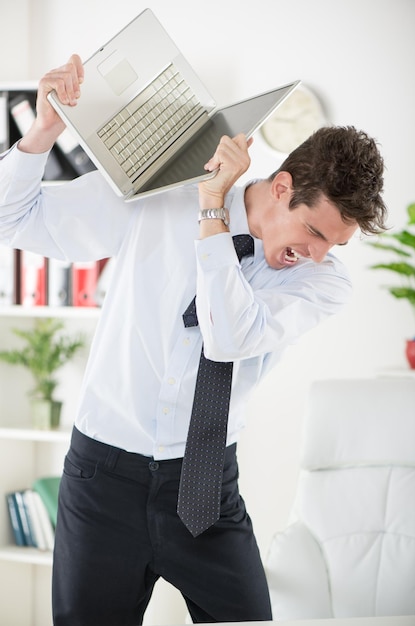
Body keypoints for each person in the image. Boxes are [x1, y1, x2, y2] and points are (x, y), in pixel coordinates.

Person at [0, 55, 387, 626]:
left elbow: (229, 337)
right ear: (282, 188)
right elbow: (14, 218)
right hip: (103, 480)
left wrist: (212, 212)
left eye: (335, 245)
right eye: (313, 232)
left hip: (206, 490)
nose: (318, 256)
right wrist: (43, 133)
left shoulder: (323, 282)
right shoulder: (156, 195)